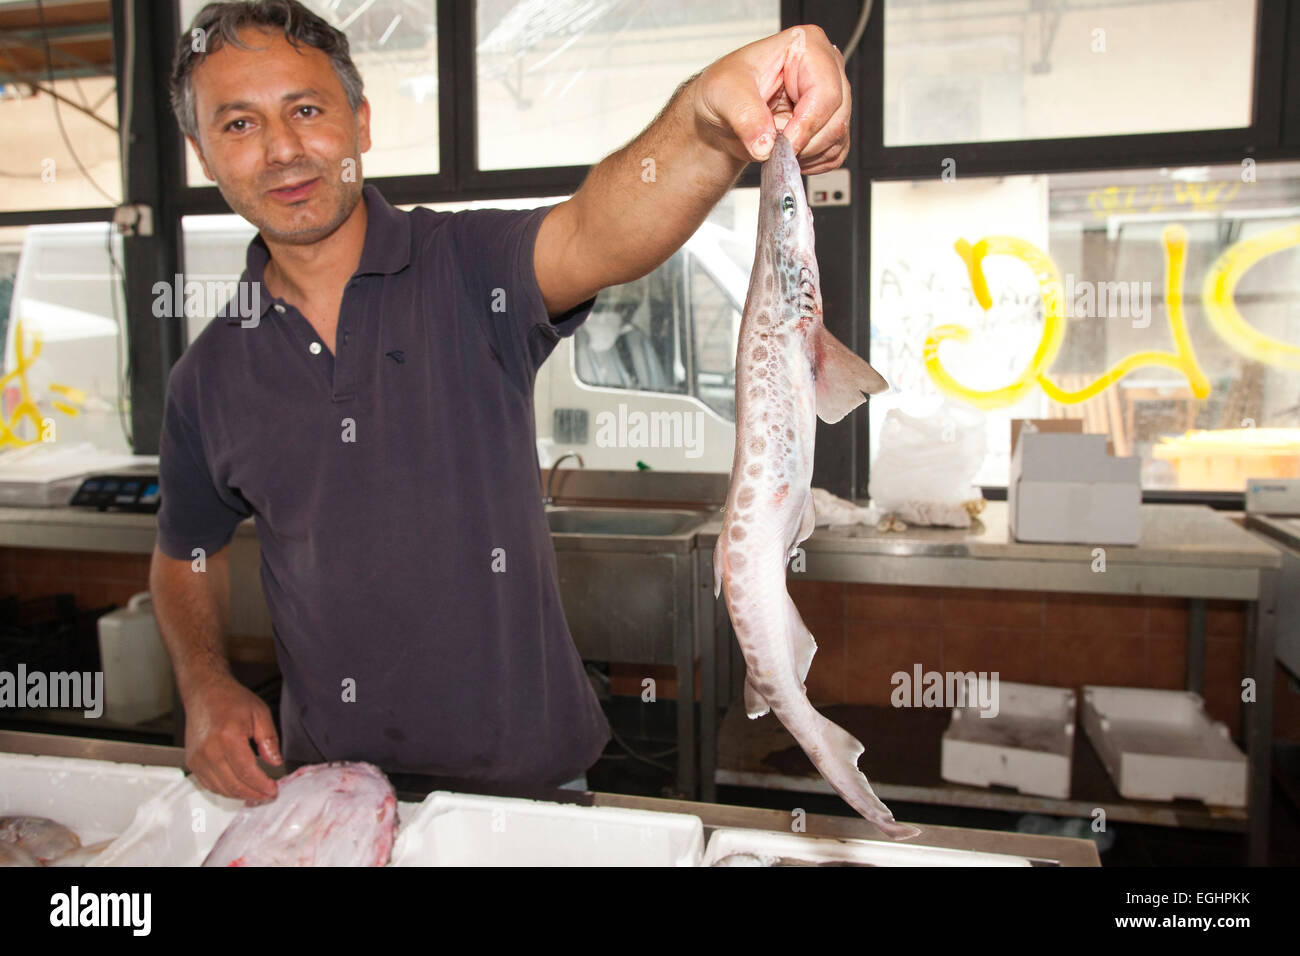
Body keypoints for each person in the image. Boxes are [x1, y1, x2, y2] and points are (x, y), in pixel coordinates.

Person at [150, 0, 852, 801]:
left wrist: (706, 119)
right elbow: (183, 553)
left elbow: (599, 231)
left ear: (362, 122)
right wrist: (203, 682)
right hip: (327, 787)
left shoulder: (466, 266)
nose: (281, 149)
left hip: (535, 788)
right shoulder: (206, 375)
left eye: (306, 110)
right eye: (238, 125)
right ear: (201, 152)